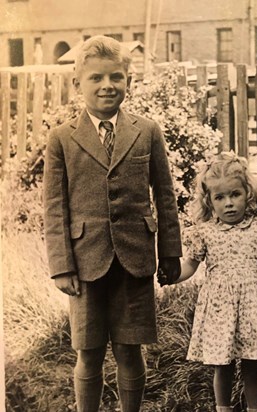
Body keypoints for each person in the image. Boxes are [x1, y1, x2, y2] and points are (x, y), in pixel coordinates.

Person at [43, 35, 182, 412]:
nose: (108, 86)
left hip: (135, 258)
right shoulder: (61, 139)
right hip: (85, 263)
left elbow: (165, 196)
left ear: (129, 82)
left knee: (128, 348)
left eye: (116, 77)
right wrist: (61, 266)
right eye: (96, 78)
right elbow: (54, 208)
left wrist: (171, 253)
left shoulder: (147, 131)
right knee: (87, 352)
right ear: (77, 85)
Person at [158, 152, 257, 412]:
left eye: (235, 195)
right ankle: (223, 408)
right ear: (209, 201)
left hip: (252, 307)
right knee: (223, 366)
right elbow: (190, 266)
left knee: (252, 366)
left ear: (248, 194)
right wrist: (172, 275)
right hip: (220, 309)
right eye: (220, 197)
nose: (229, 203)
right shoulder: (205, 231)